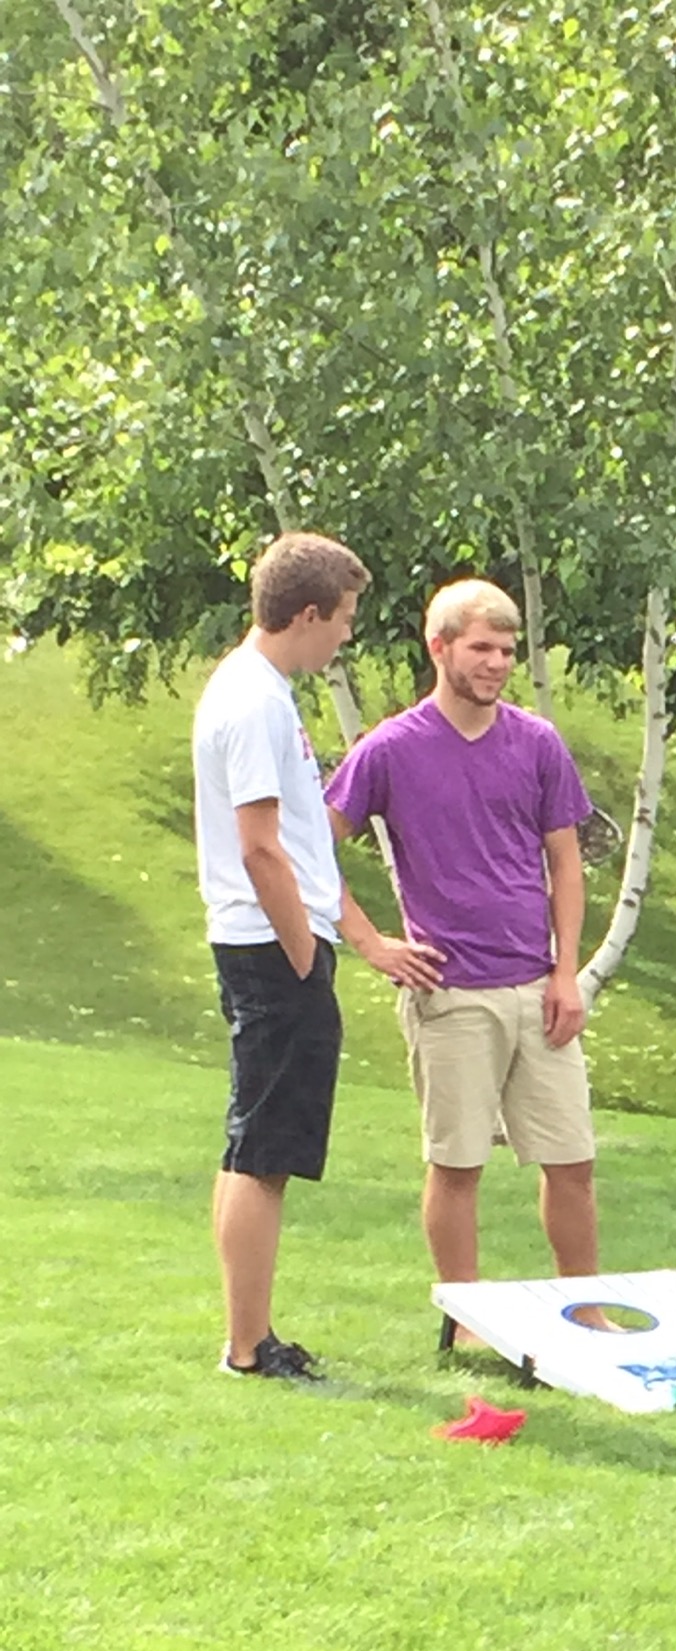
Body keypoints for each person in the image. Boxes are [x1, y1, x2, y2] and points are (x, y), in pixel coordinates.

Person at [194, 532, 442, 1380]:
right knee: (265, 1152)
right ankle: (249, 1347)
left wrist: (360, 940)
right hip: (270, 947)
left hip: (273, 943)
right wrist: (304, 952)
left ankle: (250, 1335)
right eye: (342, 618)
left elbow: (301, 842)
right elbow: (262, 846)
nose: (346, 635)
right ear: (306, 614)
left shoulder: (260, 692)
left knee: (253, 1143)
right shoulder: (254, 702)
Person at [325, 578, 599, 1288]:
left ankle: (586, 1309)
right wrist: (370, 942)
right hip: (450, 997)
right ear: (439, 647)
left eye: (508, 651)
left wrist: (566, 972)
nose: (498, 663)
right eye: (482, 648)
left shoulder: (537, 743)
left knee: (572, 1161)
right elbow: (310, 846)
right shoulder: (391, 749)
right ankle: (465, 1321)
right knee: (457, 1166)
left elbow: (566, 861)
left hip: (538, 990)